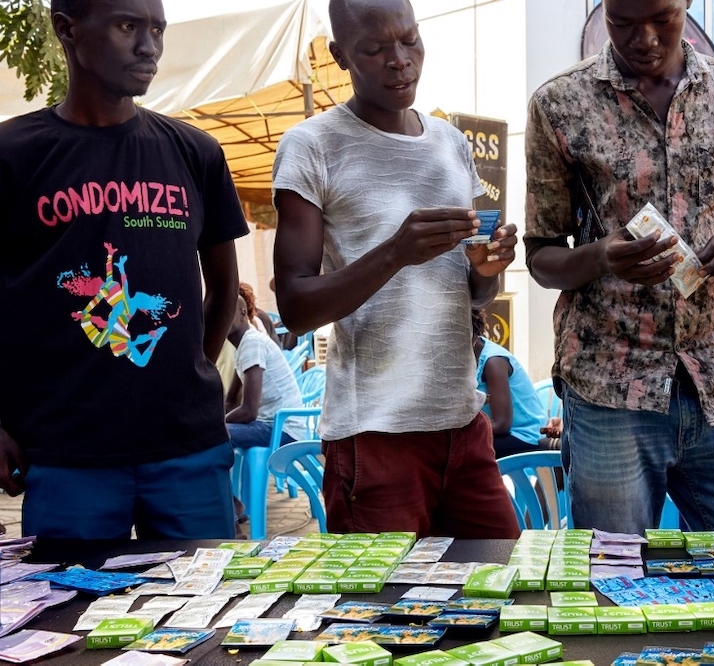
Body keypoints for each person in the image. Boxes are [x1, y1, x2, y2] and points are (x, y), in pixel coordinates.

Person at [523, 0, 714, 533]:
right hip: (609, 387)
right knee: (615, 581)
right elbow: (541, 255)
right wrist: (601, 256)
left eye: (662, 19)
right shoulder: (560, 103)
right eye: (622, 23)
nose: (643, 38)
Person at [271, 0, 521, 538]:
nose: (399, 59)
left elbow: (477, 294)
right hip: (374, 436)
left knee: (502, 598)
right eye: (375, 48)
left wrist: (486, 266)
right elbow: (294, 306)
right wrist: (394, 253)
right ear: (340, 56)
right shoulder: (312, 145)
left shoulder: (451, 144)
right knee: (385, 615)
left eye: (409, 40)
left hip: (463, 424)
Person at [0, 0, 247, 539]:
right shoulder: (13, 155)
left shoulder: (195, 152)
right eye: (128, 26)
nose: (149, 46)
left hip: (188, 448)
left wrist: (187, 369)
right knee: (71, 617)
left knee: (202, 611)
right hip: (67, 453)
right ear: (67, 30)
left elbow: (224, 285)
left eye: (157, 28)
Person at [225, 295, 309, 449]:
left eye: (227, 312)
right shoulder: (243, 347)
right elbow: (231, 401)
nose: (221, 318)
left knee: (216, 437)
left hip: (283, 430)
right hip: (268, 425)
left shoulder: (252, 343)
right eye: (217, 313)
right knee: (210, 434)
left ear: (243, 313)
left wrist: (216, 425)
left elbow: (249, 411)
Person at [472, 309, 548, 458]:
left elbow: (501, 425)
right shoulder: (464, 360)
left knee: (464, 452)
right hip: (503, 433)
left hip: (526, 435)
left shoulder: (493, 361)